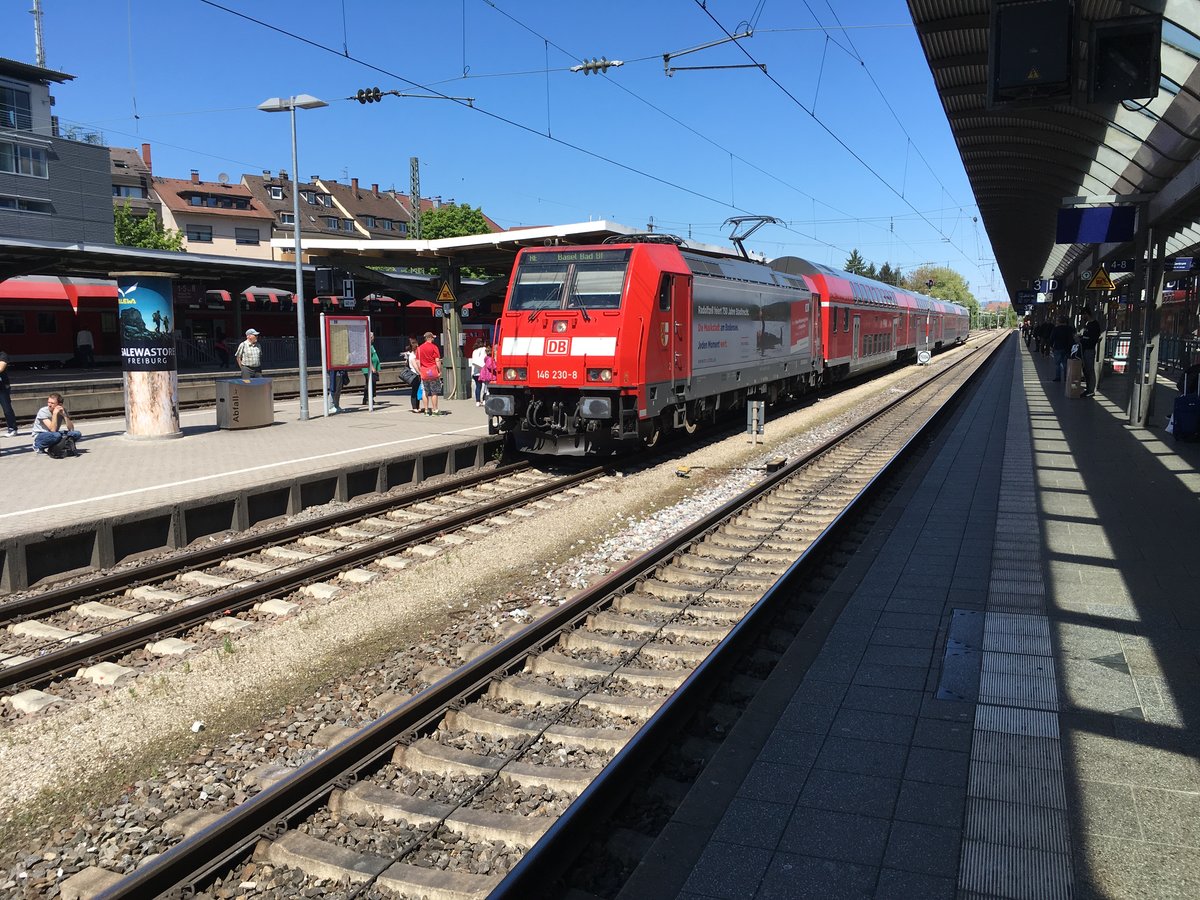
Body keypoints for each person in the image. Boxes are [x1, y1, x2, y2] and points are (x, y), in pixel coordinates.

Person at [31, 393, 82, 458]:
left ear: (59, 404)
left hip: (54, 434)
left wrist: (64, 415)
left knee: (76, 434)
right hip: (41, 435)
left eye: (52, 403)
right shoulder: (43, 411)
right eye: (48, 402)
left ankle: (56, 446)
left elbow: (71, 429)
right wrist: (55, 414)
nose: (49, 405)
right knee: (56, 435)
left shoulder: (62, 410)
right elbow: (52, 430)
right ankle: (37, 445)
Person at [416, 330, 444, 416]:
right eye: (433, 338)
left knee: (425, 391)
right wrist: (440, 371)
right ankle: (435, 410)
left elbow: (417, 361)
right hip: (433, 372)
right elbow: (437, 360)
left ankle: (426, 410)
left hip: (424, 372)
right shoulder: (434, 347)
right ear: (430, 338)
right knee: (434, 392)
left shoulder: (419, 348)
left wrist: (420, 371)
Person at [1078, 307, 1103, 398]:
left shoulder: (1094, 325)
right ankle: (1088, 388)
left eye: (1083, 315)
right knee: (1086, 369)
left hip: (1089, 350)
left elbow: (1093, 339)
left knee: (1089, 370)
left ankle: (1091, 390)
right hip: (1085, 349)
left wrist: (1083, 339)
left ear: (1086, 314)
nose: (1082, 317)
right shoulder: (1088, 324)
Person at [1048, 315, 1075, 381]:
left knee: (1057, 364)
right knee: (1065, 364)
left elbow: (1052, 338)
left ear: (1059, 321)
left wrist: (1051, 346)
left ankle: (1058, 377)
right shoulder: (1069, 329)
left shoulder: (1056, 329)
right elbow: (1072, 338)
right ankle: (1066, 378)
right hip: (1067, 349)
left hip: (1057, 348)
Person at [0, 349, 17, 436]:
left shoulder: (3, 355)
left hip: (2, 386)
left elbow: (1, 368)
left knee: (7, 409)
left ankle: (12, 428)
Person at [361, 332, 381, 406]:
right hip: (368, 369)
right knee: (370, 383)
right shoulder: (367, 346)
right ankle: (367, 399)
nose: (373, 338)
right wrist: (372, 367)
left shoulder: (371, 345)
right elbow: (368, 358)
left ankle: (368, 398)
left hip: (372, 368)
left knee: (370, 383)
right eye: (372, 337)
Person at [469, 341, 491, 406]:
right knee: (485, 387)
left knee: (478, 387)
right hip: (483, 371)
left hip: (475, 372)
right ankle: (484, 400)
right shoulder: (484, 349)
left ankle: (477, 401)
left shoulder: (474, 351)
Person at [405, 336, 422, 414]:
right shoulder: (412, 355)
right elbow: (415, 366)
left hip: (417, 375)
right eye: (417, 346)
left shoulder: (416, 354)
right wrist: (420, 373)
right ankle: (414, 407)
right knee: (414, 391)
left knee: (418, 390)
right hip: (414, 375)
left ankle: (418, 406)